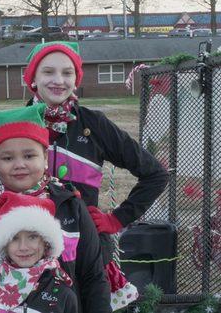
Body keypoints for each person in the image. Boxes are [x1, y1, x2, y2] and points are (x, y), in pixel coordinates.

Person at [23, 41, 168, 310]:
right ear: (32, 77)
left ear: (76, 79)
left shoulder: (93, 124)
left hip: (85, 255)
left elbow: (155, 174)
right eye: (48, 72)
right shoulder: (16, 122)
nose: (58, 80)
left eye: (67, 73)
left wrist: (117, 219)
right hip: (26, 254)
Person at [0, 104, 110, 313]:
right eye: (7, 158)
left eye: (29, 156)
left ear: (45, 157)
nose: (19, 164)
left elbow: (93, 275)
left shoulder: (70, 207)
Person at [0, 192, 77, 313]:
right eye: (14, 238)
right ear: (5, 244)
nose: (23, 247)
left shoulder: (63, 296)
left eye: (32, 237)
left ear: (46, 242)